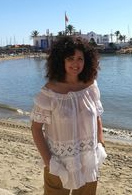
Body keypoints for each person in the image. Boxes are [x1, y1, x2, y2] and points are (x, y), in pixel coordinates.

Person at [31, 36, 106, 195]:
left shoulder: (91, 86)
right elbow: (36, 129)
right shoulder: (49, 93)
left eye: (80, 58)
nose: (76, 63)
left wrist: (101, 142)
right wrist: (48, 162)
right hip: (60, 164)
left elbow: (97, 115)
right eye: (70, 58)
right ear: (61, 61)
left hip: (89, 161)